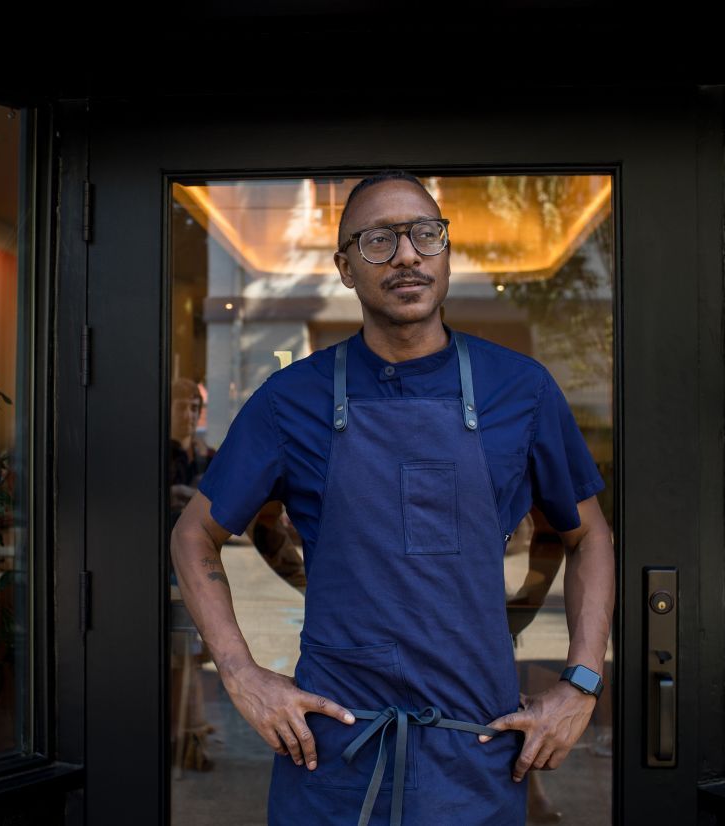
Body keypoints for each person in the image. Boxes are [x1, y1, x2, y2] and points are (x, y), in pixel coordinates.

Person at [170, 171, 615, 825]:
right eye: (378, 240)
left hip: (479, 747)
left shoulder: (520, 389)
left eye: (424, 234)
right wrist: (241, 675)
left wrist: (580, 684)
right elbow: (193, 534)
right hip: (332, 759)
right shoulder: (290, 400)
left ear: (446, 251)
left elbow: (589, 535)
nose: (406, 254)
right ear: (345, 266)